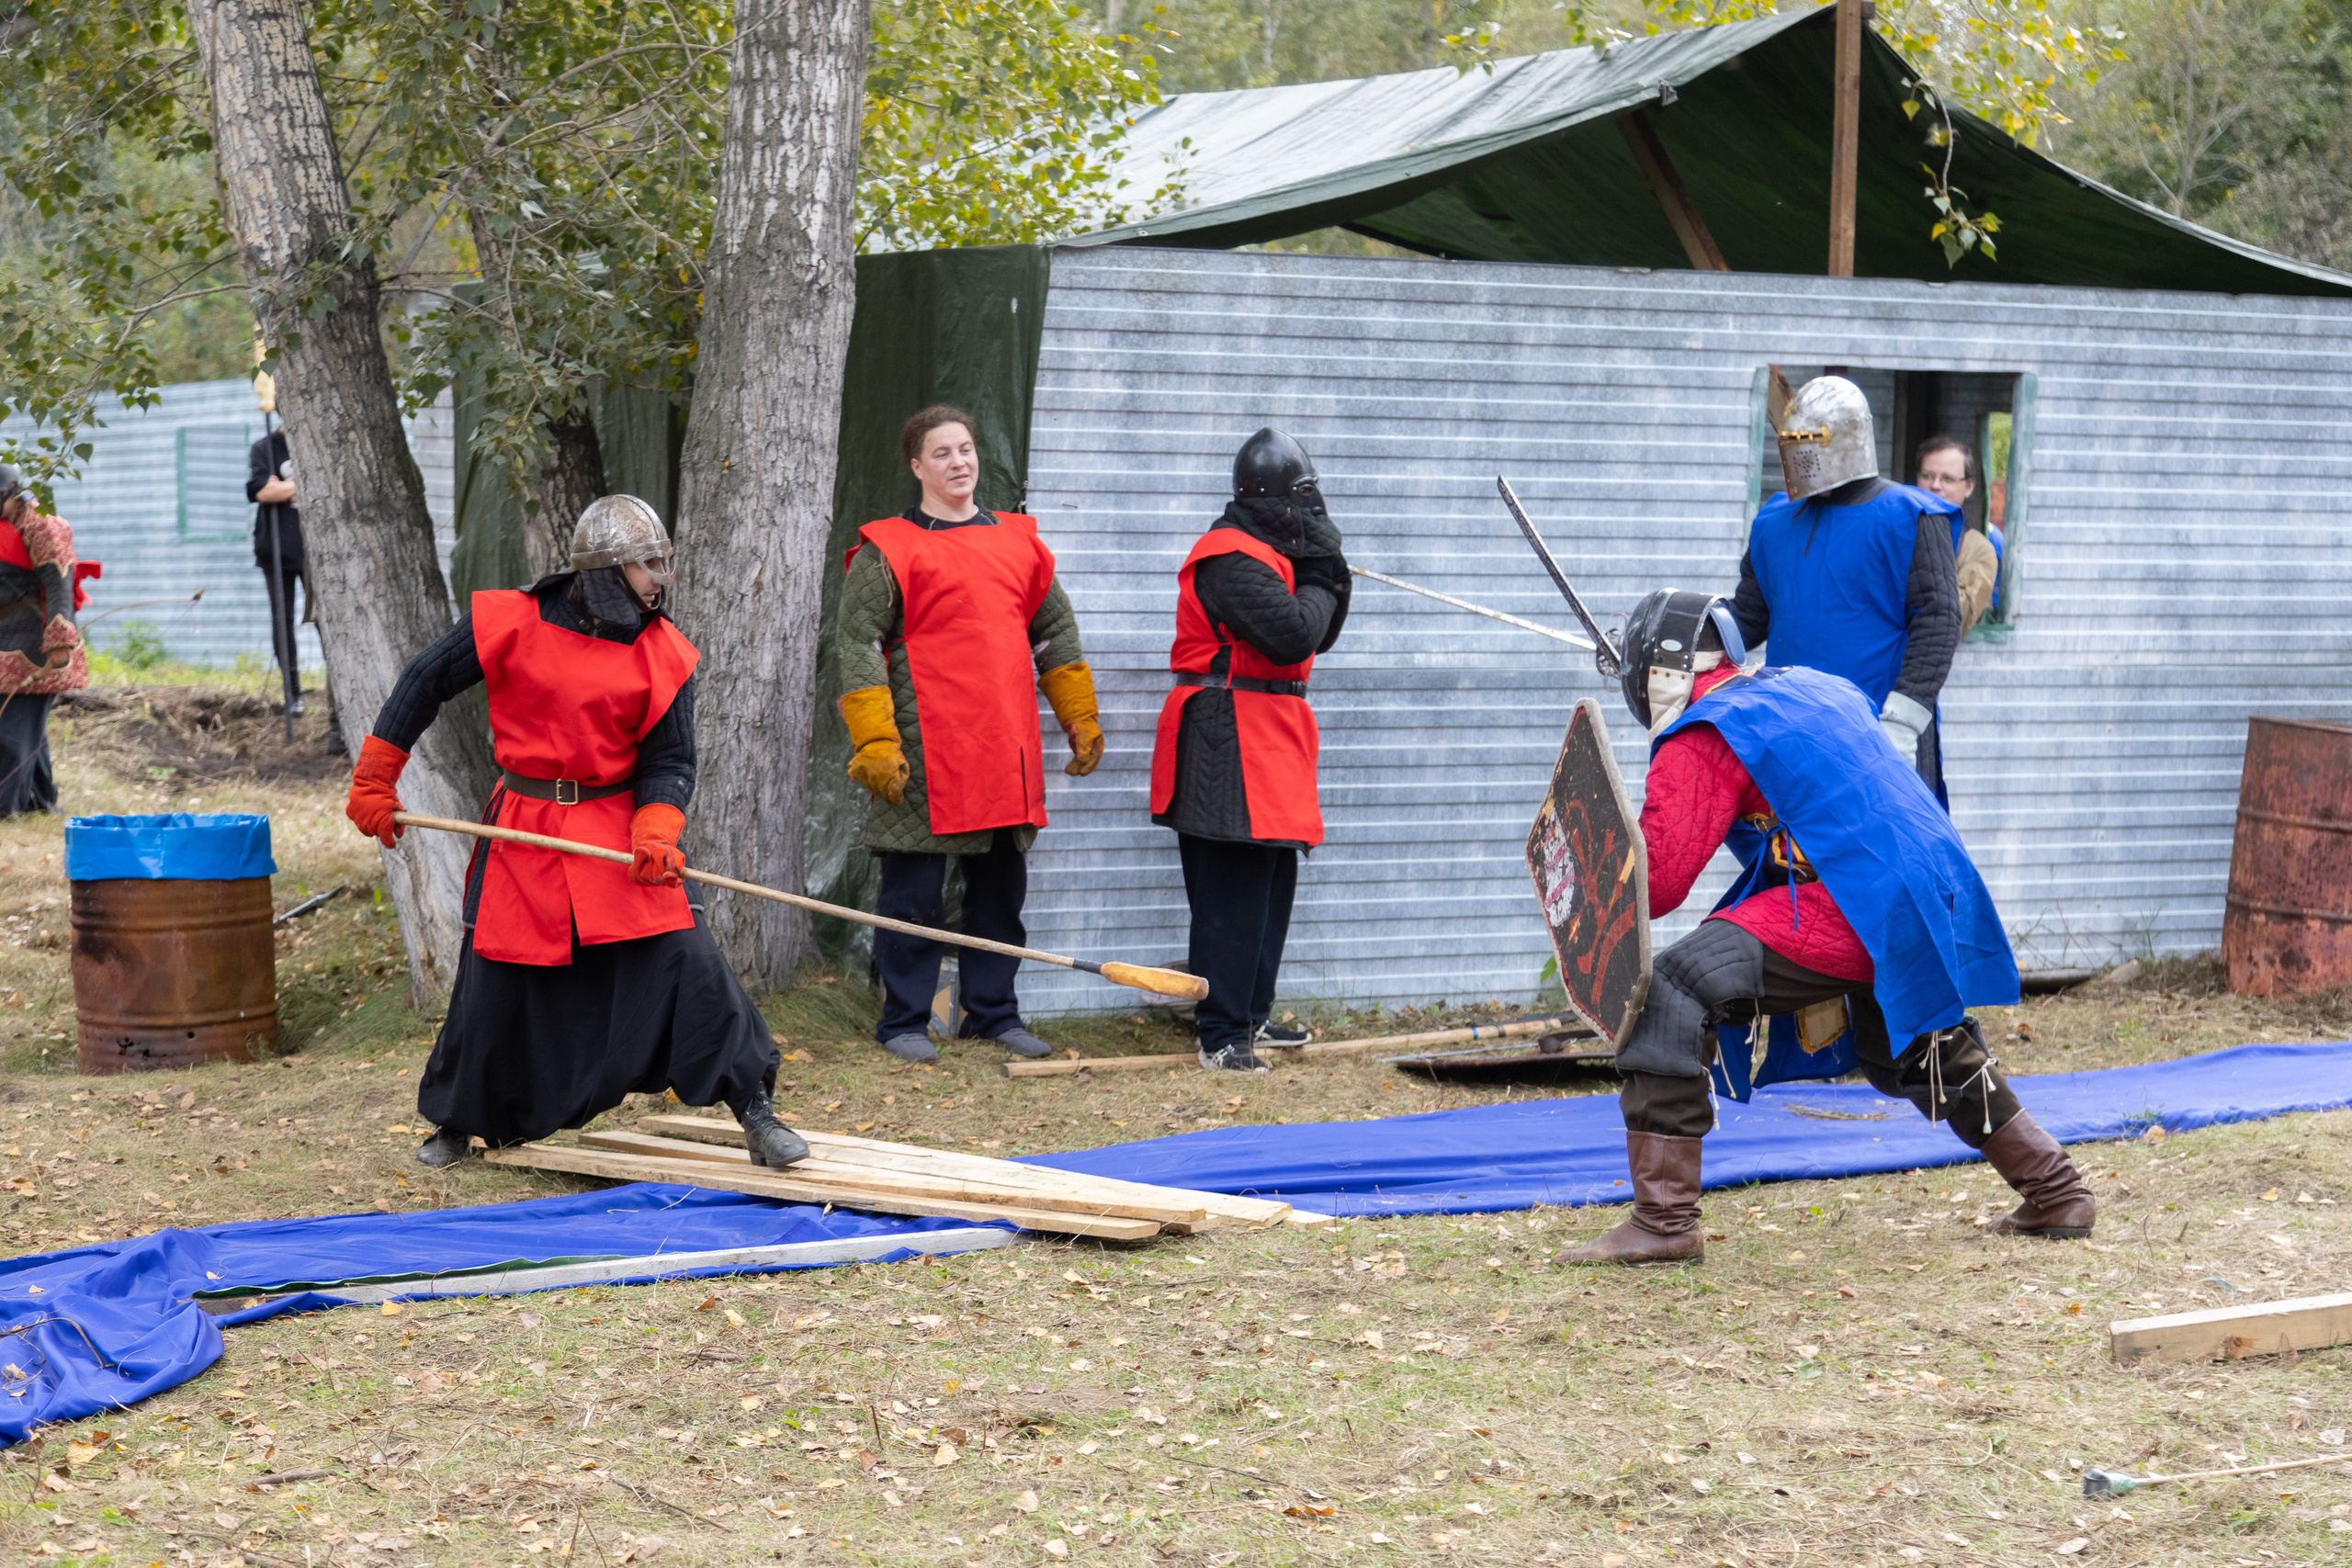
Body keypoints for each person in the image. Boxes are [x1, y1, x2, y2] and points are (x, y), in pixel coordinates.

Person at [1551, 590, 2093, 1268]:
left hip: (1849, 896)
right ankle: (2058, 1191)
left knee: (1670, 991)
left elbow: (1653, 886)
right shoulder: (1809, 684)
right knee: (1916, 1043)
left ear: (1656, 672)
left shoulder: (1706, 732)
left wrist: (1590, 865)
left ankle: (1663, 1223)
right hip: (1924, 888)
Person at [343, 495, 807, 1171]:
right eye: (649, 564)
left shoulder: (663, 652)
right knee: (495, 979)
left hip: (615, 832)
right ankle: (457, 1121)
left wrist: (657, 827)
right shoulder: (513, 620)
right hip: (522, 827)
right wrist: (375, 777)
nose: (661, 579)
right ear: (608, 569)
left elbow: (671, 761)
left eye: (663, 562)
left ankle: (755, 1110)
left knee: (687, 957)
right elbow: (425, 679)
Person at [833, 406, 1103, 1064]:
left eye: (965, 449)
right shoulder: (889, 548)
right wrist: (876, 740)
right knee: (913, 897)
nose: (959, 462)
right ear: (917, 466)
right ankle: (903, 1020)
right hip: (924, 748)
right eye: (942, 452)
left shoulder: (1020, 542)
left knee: (1000, 894)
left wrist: (1078, 715)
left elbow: (1054, 633)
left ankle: (994, 1014)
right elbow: (858, 642)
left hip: (1005, 745)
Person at [1150, 428, 1349, 1071]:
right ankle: (1221, 1033)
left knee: (1271, 878)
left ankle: (1251, 1016)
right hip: (1223, 728)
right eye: (1302, 495)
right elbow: (1294, 634)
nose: (1310, 506)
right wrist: (1318, 571)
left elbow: (1323, 628)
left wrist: (1320, 567)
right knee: (1232, 886)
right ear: (1272, 497)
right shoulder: (1229, 556)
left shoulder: (1272, 551)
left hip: (1269, 727)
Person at [1732, 377, 1962, 800]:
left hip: (1879, 733)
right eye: (1793, 443)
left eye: (1811, 442)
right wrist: (1688, 635)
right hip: (1792, 731)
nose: (1802, 456)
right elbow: (1747, 617)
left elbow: (1939, 622)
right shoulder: (1774, 521)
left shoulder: (1911, 516)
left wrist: (1902, 722)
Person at [0, 466, 98, 816]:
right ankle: (40, 803)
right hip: (5, 635)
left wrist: (59, 640)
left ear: (11, 491)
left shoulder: (43, 524)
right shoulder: (6, 523)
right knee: (27, 728)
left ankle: (6, 807)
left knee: (12, 728)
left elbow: (59, 582)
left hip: (36, 639)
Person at [246, 424, 308, 714]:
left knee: (325, 619)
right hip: (276, 548)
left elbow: (273, 489)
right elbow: (261, 491)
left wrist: (281, 488)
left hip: (314, 550)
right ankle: (292, 692)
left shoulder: (313, 439)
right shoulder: (265, 448)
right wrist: (301, 487)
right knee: (282, 618)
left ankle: (338, 697)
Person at [1916, 435, 2005, 636]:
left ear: (1969, 486)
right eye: (1927, 476)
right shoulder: (1892, 528)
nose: (1935, 485)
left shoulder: (1978, 549)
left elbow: (1957, 619)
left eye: (1948, 479)